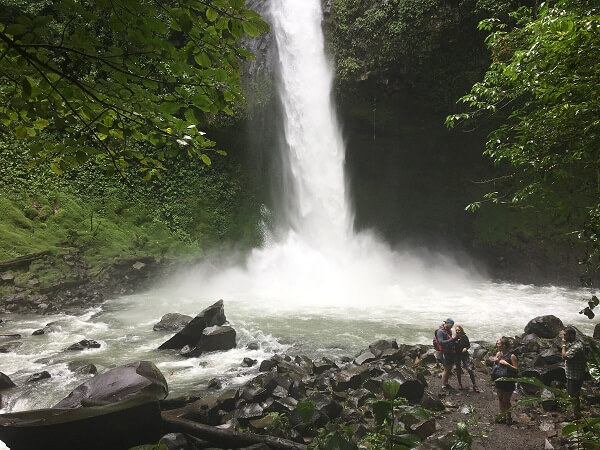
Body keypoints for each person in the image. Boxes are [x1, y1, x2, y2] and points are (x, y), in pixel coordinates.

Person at [562, 326, 587, 420]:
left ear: (571, 335)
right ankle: (576, 413)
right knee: (574, 395)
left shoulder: (577, 346)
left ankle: (576, 416)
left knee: (574, 395)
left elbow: (564, 356)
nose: (563, 337)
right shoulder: (575, 343)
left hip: (575, 375)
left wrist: (563, 345)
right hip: (573, 373)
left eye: (565, 335)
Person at [492, 336, 518, 424]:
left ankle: (509, 417)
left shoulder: (512, 356)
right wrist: (495, 361)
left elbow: (516, 369)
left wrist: (507, 364)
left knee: (506, 400)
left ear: (504, 346)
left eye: (498, 343)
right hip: (499, 379)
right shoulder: (498, 354)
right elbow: (496, 366)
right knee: (500, 398)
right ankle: (502, 415)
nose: (497, 345)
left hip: (508, 380)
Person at [454, 325, 480, 392]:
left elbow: (468, 345)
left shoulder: (465, 337)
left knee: (469, 369)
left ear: (461, 330)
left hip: (465, 355)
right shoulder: (454, 337)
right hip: (457, 355)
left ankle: (474, 385)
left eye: (458, 330)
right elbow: (452, 345)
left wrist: (466, 348)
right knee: (458, 370)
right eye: (456, 330)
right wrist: (455, 342)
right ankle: (460, 384)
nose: (457, 331)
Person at [436, 318, 456, 390]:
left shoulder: (448, 331)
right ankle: (443, 386)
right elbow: (441, 342)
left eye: (452, 325)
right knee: (446, 369)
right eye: (451, 324)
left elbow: (449, 340)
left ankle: (446, 383)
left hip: (449, 352)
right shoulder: (440, 332)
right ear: (447, 323)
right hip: (444, 352)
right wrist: (452, 339)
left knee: (449, 368)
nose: (452, 326)